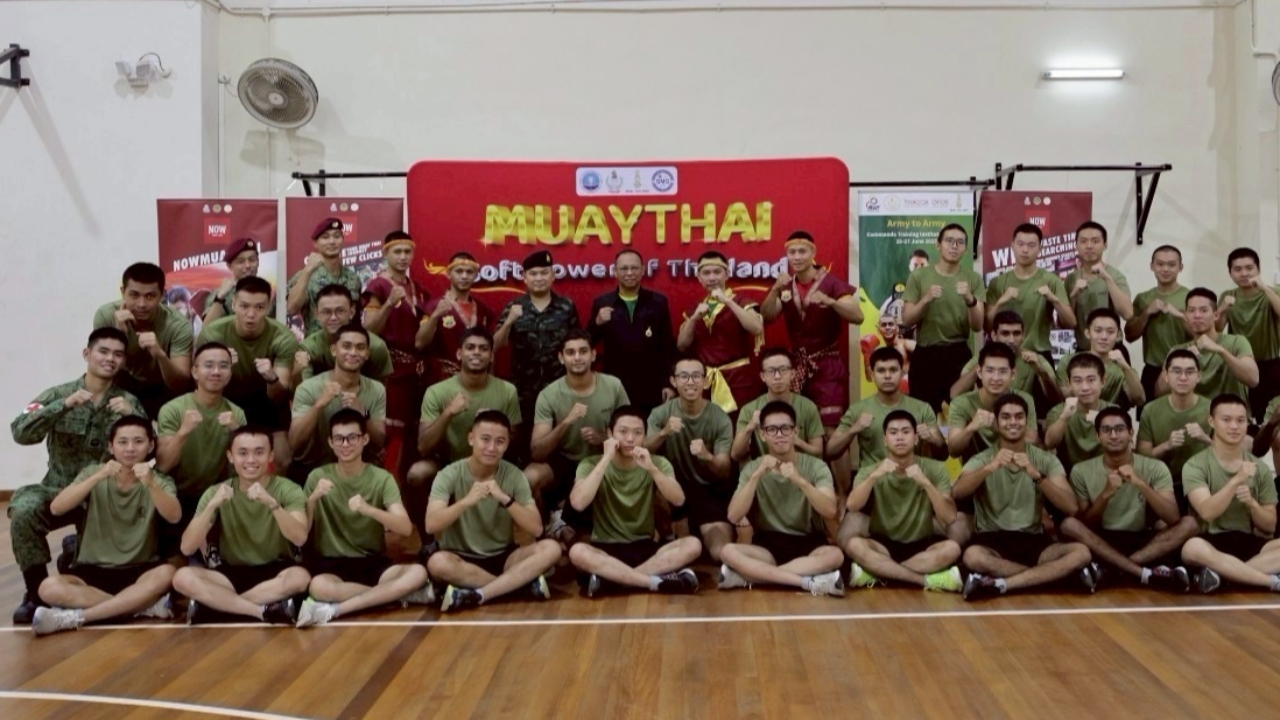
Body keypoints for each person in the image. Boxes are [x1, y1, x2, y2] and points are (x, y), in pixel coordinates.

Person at [9, 328, 143, 623]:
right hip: (58, 489)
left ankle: (74, 557)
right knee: (24, 509)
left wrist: (132, 414)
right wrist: (63, 406)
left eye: (118, 354)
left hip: (105, 496)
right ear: (87, 354)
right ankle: (35, 592)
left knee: (96, 571)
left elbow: (150, 446)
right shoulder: (58, 394)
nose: (110, 359)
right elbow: (20, 431)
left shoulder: (127, 401)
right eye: (103, 351)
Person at [30, 417, 181, 635]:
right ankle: (140, 608)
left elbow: (174, 516)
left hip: (140, 569)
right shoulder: (93, 472)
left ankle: (76, 617)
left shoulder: (159, 480)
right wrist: (99, 476)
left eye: (138, 441)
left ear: (150, 446)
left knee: (168, 573)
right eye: (122, 442)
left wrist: (150, 484)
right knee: (47, 587)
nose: (130, 448)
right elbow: (57, 508)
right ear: (111, 446)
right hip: (92, 569)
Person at [294, 409, 432, 627]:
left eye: (352, 437)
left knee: (418, 572)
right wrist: (312, 500)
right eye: (339, 439)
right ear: (330, 442)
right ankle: (393, 596)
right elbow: (301, 534)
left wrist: (369, 510)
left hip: (373, 563)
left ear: (364, 439)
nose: (345, 444)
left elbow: (405, 528)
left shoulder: (381, 478)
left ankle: (337, 610)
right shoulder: (317, 477)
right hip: (332, 566)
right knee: (319, 587)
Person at [955, 394, 1094, 600]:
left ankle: (1002, 584)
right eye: (1006, 417)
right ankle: (1055, 578)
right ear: (996, 423)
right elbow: (957, 491)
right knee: (972, 557)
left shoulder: (1045, 459)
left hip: (1033, 539)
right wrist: (990, 468)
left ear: (1026, 422)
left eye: (1019, 417)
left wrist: (1036, 475)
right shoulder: (982, 459)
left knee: (1081, 552)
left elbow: (1071, 507)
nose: (1013, 422)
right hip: (991, 539)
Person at [425, 411, 562, 612]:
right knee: (437, 563)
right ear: (471, 439)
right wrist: (466, 502)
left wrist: (505, 499)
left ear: (506, 445)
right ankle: (516, 586)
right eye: (485, 439)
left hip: (504, 556)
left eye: (499, 442)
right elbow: (431, 524)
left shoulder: (514, 475)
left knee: (551, 548)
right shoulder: (449, 474)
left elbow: (536, 529)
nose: (491, 448)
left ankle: (481, 592)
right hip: (460, 558)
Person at [172, 427, 311, 624]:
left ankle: (217, 607)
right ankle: (260, 611)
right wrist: (211, 506)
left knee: (301, 578)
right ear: (231, 456)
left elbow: (300, 537)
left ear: (271, 456)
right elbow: (187, 547)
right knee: (181, 577)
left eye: (259, 452)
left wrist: (272, 504)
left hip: (276, 570)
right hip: (230, 573)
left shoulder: (288, 489)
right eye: (243, 453)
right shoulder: (216, 491)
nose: (251, 460)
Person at [566, 406, 702, 597]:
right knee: (577, 552)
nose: (630, 439)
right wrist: (606, 459)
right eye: (623, 432)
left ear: (645, 436)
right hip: (605, 549)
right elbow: (578, 503)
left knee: (693, 545)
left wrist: (652, 469)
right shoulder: (590, 464)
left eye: (638, 433)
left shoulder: (656, 462)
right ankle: (653, 582)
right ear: (609, 434)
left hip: (644, 546)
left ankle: (614, 581)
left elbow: (678, 500)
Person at [1058, 408, 1199, 592]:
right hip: (1101, 539)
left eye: (1119, 429)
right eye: (1106, 430)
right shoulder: (1081, 470)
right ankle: (1141, 573)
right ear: (1098, 436)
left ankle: (1114, 570)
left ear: (1131, 433)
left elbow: (1172, 517)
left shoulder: (1155, 467)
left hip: (1143, 539)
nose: (1113, 435)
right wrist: (1105, 495)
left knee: (1190, 524)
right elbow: (1086, 524)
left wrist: (1140, 483)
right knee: (1069, 525)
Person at [718, 401, 845, 596]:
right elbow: (734, 516)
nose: (779, 435)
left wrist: (799, 480)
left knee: (835, 555)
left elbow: (829, 510)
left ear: (795, 432)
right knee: (727, 551)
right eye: (772, 429)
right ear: (763, 435)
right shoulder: (753, 468)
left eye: (785, 428)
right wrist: (756, 477)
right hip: (767, 544)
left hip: (809, 542)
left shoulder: (816, 466)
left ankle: (752, 577)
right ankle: (806, 582)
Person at [407, 328, 520, 545]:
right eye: (470, 348)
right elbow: (423, 446)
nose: (476, 353)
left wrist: (494, 424)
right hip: (447, 463)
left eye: (483, 349)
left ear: (491, 356)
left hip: (492, 465)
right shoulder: (437, 391)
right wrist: (448, 413)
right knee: (416, 474)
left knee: (521, 477)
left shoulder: (507, 391)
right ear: (459, 354)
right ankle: (428, 543)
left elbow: (515, 440)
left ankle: (507, 542)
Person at [843, 411, 963, 592]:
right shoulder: (870, 470)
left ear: (916, 439)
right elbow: (852, 505)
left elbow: (949, 517)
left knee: (952, 549)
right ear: (885, 440)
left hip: (921, 544)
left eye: (906, 432)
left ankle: (881, 572)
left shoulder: (935, 468)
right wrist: (874, 476)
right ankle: (924, 580)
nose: (899, 437)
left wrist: (926, 483)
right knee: (854, 545)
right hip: (882, 544)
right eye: (893, 432)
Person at [526, 330, 629, 535]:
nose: (577, 357)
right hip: (564, 461)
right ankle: (543, 532)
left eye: (583, 351)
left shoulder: (613, 385)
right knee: (529, 478)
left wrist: (602, 438)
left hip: (602, 459)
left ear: (593, 355)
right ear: (561, 358)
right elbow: (537, 452)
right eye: (570, 352)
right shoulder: (549, 394)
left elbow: (631, 436)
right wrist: (566, 422)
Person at [760, 231, 862, 427]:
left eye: (802, 251)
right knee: (796, 425)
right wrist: (774, 290)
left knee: (830, 428)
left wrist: (831, 302)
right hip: (797, 367)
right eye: (792, 252)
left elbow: (858, 316)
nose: (797, 257)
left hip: (827, 367)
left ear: (813, 252)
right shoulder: (786, 286)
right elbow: (767, 317)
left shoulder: (831, 283)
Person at [1180, 394, 1280, 593]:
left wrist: (1252, 504)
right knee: (1191, 548)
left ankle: (1222, 577)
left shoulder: (1259, 467)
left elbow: (1269, 526)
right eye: (1226, 420)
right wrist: (1236, 480)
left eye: (1241, 420)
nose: (1234, 426)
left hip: (1247, 542)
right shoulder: (1195, 465)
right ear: (1212, 421)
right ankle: (1269, 581)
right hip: (1211, 542)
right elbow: (1206, 512)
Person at [197, 276, 299, 471]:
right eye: (244, 306)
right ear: (233, 304)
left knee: (283, 460)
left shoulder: (283, 338)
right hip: (226, 400)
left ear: (268, 308)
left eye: (259, 307)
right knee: (215, 461)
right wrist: (224, 368)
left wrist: (271, 377)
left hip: (268, 404)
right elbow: (200, 385)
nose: (251, 314)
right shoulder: (213, 334)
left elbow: (279, 396)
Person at [156, 342, 246, 551]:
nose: (216, 372)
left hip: (218, 497)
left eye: (223, 366)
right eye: (209, 365)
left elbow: (246, 468)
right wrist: (183, 432)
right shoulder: (173, 409)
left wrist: (237, 432)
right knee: (176, 560)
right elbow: (163, 466)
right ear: (194, 372)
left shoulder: (237, 413)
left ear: (230, 373)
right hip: (179, 497)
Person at [645, 356, 735, 561]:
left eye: (696, 376)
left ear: (706, 381)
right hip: (671, 489)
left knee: (720, 553)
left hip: (709, 492)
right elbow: (642, 451)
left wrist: (708, 456)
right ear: (673, 381)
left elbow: (725, 470)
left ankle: (692, 537)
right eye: (684, 376)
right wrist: (664, 433)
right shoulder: (660, 414)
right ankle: (669, 536)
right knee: (651, 482)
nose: (690, 382)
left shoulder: (720, 417)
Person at [363, 232, 432, 481]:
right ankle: (386, 490)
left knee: (413, 437)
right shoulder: (378, 286)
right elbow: (369, 329)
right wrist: (389, 304)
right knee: (390, 437)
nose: (403, 257)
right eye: (397, 252)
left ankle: (405, 493)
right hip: (391, 371)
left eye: (407, 252)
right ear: (385, 253)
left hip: (418, 374)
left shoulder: (420, 290)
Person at [289, 323, 388, 482]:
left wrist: (363, 413)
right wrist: (319, 404)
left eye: (360, 348)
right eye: (346, 346)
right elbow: (294, 443)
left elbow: (379, 443)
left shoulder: (377, 389)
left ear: (367, 353)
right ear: (334, 350)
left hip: (357, 470)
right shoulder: (308, 388)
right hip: (312, 469)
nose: (353, 353)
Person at [902, 223, 985, 412]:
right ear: (938, 245)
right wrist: (925, 300)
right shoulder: (919, 276)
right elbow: (907, 320)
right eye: (949, 241)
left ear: (965, 249)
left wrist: (970, 300)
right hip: (925, 354)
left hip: (958, 354)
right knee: (923, 416)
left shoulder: (973, 279)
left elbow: (978, 326)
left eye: (960, 242)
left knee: (957, 414)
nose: (954, 246)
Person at [92, 262, 193, 417]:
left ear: (162, 295)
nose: (141, 304)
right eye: (134, 295)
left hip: (163, 387)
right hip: (122, 382)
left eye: (150, 296)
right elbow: (101, 371)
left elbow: (180, 385)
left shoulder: (178, 325)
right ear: (123, 292)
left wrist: (160, 355)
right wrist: (118, 336)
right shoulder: (106, 315)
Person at [495, 250, 581, 426]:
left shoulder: (566, 307)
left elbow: (578, 344)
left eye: (544, 273)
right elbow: (496, 345)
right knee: (524, 436)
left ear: (553, 276)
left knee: (560, 433)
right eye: (533, 274)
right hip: (523, 390)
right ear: (525, 278)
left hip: (560, 387)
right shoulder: (514, 306)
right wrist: (509, 322)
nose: (539, 278)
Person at [588, 249, 676, 415]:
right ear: (615, 271)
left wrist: (669, 383)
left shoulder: (658, 302)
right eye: (624, 268)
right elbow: (587, 343)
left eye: (634, 268)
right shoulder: (602, 302)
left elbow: (668, 347)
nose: (629, 273)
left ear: (643, 270)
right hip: (615, 384)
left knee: (650, 428)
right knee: (618, 427)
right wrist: (597, 323)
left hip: (651, 384)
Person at [676, 250, 764, 413]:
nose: (712, 277)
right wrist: (694, 318)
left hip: (738, 380)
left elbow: (757, 328)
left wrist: (728, 301)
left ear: (727, 274)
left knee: (740, 424)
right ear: (699, 278)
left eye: (717, 272)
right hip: (706, 381)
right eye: (706, 273)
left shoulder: (741, 301)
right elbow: (682, 345)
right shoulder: (695, 309)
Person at [830, 347, 943, 470]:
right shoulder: (857, 409)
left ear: (902, 373)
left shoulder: (923, 409)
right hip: (871, 480)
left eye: (893, 370)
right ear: (872, 374)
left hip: (910, 479)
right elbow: (830, 451)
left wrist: (932, 439)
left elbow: (943, 454)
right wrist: (852, 430)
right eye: (881, 371)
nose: (887, 376)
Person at [985, 223, 1077, 360]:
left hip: (1039, 354)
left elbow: (1071, 323)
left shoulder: (1051, 280)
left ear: (1040, 248)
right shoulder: (997, 282)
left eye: (1031, 245)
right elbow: (987, 326)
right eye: (1020, 244)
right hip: (1004, 355)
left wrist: (1054, 300)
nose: (1025, 250)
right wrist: (1001, 302)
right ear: (1012, 245)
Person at [1137, 349, 1212, 510]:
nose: (1183, 377)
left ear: (1199, 376)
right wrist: (1166, 446)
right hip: (1162, 484)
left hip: (1203, 483)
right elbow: (1142, 456)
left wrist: (1205, 439)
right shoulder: (1150, 410)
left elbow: (1229, 454)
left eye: (1190, 372)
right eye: (1176, 371)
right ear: (1166, 375)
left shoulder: (1212, 409)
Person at [1158, 287, 1258, 400]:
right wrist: (1183, 364)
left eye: (1203, 310)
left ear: (1216, 315)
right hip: (1195, 411)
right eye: (1191, 310)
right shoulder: (1178, 351)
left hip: (1231, 410)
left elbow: (1253, 379)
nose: (1197, 315)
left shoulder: (1236, 342)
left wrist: (1220, 350)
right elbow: (1159, 392)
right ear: (1185, 315)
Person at [947, 343, 1039, 462]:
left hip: (1016, 464)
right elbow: (953, 451)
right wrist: (971, 427)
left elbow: (1032, 442)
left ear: (1013, 374)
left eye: (1003, 371)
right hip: (976, 468)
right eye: (989, 371)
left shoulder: (1025, 399)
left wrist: (1001, 428)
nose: (996, 378)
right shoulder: (961, 403)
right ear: (979, 373)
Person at [1217, 248, 1280, 423]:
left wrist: (1265, 289)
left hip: (1271, 364)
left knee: (1272, 421)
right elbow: (1217, 329)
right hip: (1240, 365)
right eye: (1237, 269)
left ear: (1258, 269)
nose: (1244, 273)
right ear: (1230, 273)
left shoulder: (1273, 292)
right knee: (1243, 416)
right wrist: (1222, 309)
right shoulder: (1228, 296)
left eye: (1249, 268)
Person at [731, 347, 825, 463]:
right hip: (764, 470)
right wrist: (750, 427)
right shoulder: (749, 410)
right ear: (763, 376)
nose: (777, 376)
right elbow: (735, 455)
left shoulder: (808, 407)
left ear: (793, 374)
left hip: (799, 469)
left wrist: (797, 441)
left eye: (783, 370)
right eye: (771, 371)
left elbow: (818, 452)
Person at [1125, 245, 1192, 404]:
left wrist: (1181, 316)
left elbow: (1201, 334)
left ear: (1180, 267)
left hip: (1184, 368)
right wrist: (1147, 312)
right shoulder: (1143, 298)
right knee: (1148, 417)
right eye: (1160, 264)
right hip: (1152, 370)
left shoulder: (1190, 297)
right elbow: (1130, 336)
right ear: (1152, 266)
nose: (1165, 269)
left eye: (1171, 264)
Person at [949, 310, 1059, 405]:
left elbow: (1057, 400)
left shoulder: (1034, 358)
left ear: (1023, 336)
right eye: (1005, 333)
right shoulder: (982, 357)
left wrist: (1041, 372)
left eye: (1016, 333)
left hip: (1019, 415)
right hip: (987, 414)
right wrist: (982, 365)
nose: (1011, 340)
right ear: (994, 336)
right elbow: (954, 394)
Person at [416, 252, 495, 380]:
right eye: (459, 271)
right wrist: (435, 316)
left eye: (469, 272)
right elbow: (420, 343)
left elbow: (489, 349)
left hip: (476, 380)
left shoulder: (483, 310)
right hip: (443, 380)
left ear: (476, 275)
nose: (464, 276)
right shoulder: (433, 306)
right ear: (448, 274)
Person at [295, 283, 393, 384]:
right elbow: (304, 389)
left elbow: (380, 390)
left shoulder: (375, 347)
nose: (333, 317)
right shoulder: (308, 349)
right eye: (326, 312)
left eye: (340, 311)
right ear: (317, 314)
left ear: (352, 312)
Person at [287, 217, 363, 336]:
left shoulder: (353, 278)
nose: (332, 241)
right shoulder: (305, 275)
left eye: (337, 236)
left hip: (346, 343)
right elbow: (292, 308)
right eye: (325, 237)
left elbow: (356, 317)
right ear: (315, 243)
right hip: (317, 343)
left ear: (343, 240)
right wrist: (307, 271)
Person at [1065, 221, 1133, 352]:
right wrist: (1073, 296)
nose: (1089, 246)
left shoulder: (1115, 276)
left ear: (1105, 245)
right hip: (1084, 350)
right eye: (1083, 241)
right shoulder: (1071, 279)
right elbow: (1067, 323)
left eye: (1095, 241)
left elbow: (1128, 313)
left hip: (1113, 350)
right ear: (1076, 246)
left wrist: (1107, 278)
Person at [1055, 309, 1144, 407]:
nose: (1104, 337)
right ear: (1088, 333)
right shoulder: (1068, 361)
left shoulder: (1123, 368)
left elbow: (1139, 400)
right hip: (1074, 414)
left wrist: (1125, 367)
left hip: (1108, 415)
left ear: (1118, 335)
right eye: (1098, 331)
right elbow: (1060, 398)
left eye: (1110, 332)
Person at [1045, 353, 1117, 473]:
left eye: (1091, 380)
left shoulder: (1114, 411)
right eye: (1077, 381)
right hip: (1068, 473)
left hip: (1106, 472)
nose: (1085, 388)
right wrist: (1065, 417)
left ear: (1103, 381)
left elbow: (1124, 449)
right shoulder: (1058, 411)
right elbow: (1049, 443)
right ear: (1069, 383)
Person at [203, 237, 262, 323]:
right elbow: (207, 327)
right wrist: (220, 298)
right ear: (229, 266)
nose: (248, 265)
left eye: (252, 260)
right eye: (241, 262)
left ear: (258, 261)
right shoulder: (221, 294)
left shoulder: (265, 290)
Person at [859, 316, 914, 385]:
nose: (887, 327)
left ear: (897, 328)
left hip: (912, 389)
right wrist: (867, 355)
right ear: (878, 330)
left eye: (891, 324)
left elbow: (926, 364)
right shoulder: (880, 353)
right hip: (893, 390)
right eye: (884, 325)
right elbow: (870, 378)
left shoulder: (907, 344)